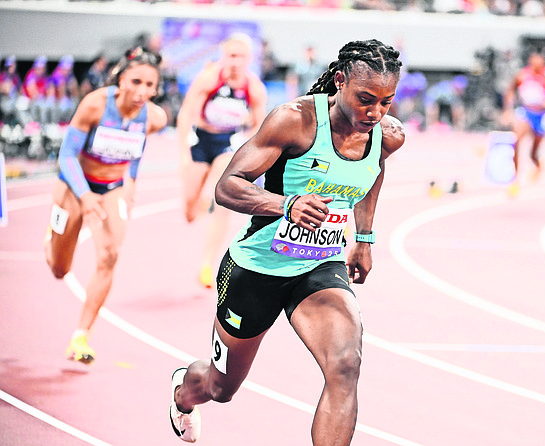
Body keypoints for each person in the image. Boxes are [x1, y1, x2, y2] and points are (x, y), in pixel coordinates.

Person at [169, 38, 405, 445]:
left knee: (345, 366)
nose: (376, 112)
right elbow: (227, 188)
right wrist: (286, 204)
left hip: (318, 267)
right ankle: (182, 393)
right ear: (339, 81)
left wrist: (363, 237)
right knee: (220, 389)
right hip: (256, 267)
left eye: (387, 101)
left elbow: (373, 172)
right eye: (366, 99)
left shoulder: (385, 134)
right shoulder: (294, 121)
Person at [44, 47, 167, 364]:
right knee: (60, 269)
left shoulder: (154, 117)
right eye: (136, 82)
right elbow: (67, 156)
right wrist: (84, 196)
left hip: (111, 188)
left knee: (110, 256)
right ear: (121, 78)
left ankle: (81, 335)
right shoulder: (96, 104)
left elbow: (137, 149)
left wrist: (133, 181)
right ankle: (53, 235)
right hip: (75, 186)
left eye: (150, 86)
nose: (142, 92)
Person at [176, 32, 268, 288]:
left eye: (239, 56)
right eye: (230, 55)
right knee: (189, 211)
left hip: (228, 143)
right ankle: (199, 202)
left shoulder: (253, 87)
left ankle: (207, 264)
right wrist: (183, 154)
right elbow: (185, 114)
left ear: (249, 59)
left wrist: (247, 145)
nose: (234, 61)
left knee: (219, 198)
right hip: (202, 141)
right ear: (223, 56)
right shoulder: (209, 77)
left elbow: (260, 126)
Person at [502, 43, 545, 195]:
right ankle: (514, 179)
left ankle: (539, 165)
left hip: (541, 116)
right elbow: (509, 92)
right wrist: (507, 111)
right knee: (515, 141)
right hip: (526, 113)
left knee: (533, 154)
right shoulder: (522, 74)